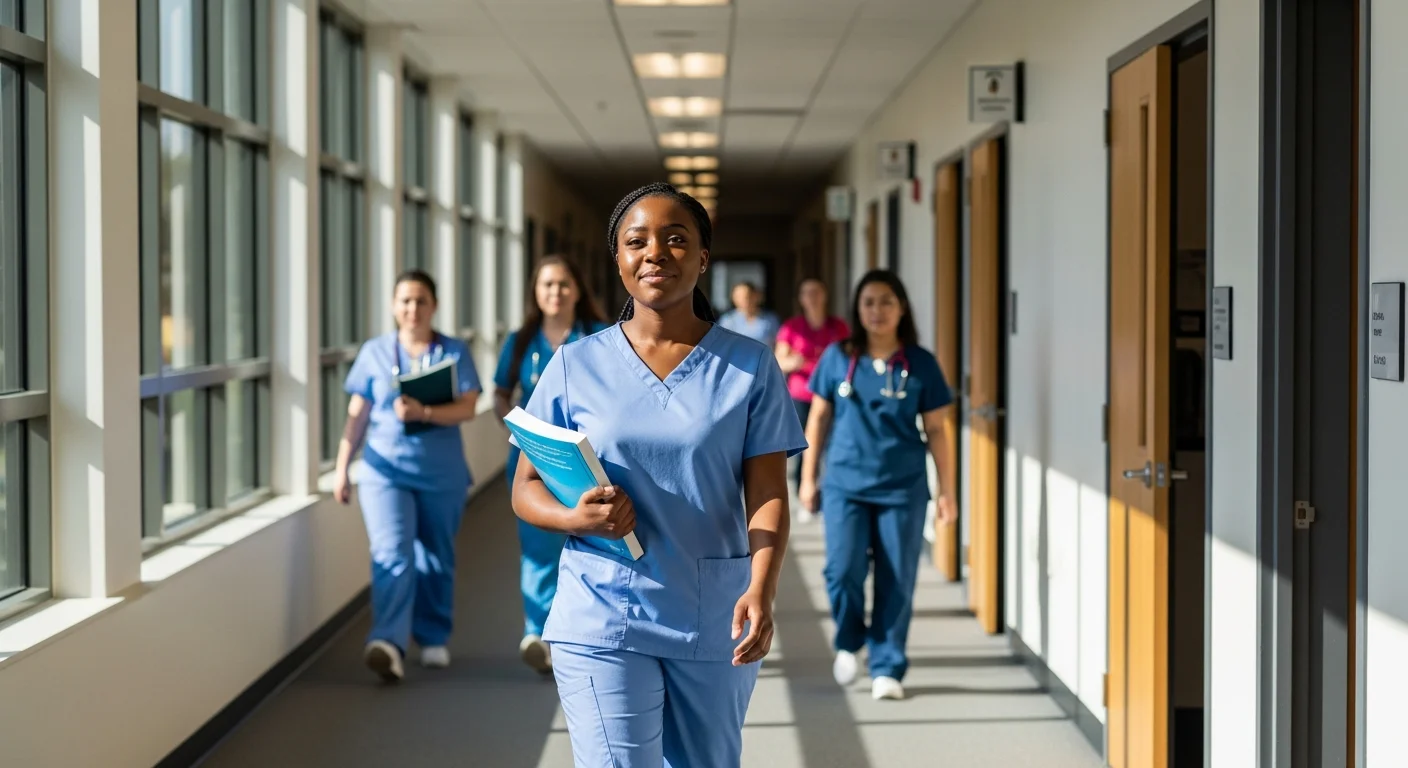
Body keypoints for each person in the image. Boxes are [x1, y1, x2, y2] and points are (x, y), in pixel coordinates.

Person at [511, 182, 806, 766]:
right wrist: (575, 516)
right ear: (617, 259)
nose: (656, 253)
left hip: (715, 611)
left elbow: (768, 493)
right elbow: (526, 487)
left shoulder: (750, 367)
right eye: (637, 241)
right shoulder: (574, 365)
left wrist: (762, 587)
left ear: (702, 259)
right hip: (601, 610)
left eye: (676, 240)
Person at [797, 269, 957, 702]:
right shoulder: (838, 357)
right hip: (845, 483)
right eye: (869, 302)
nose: (878, 310)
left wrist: (948, 491)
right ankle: (850, 641)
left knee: (897, 576)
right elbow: (818, 419)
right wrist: (808, 478)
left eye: (887, 301)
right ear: (857, 309)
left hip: (902, 488)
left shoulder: (920, 362)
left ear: (902, 307)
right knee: (841, 570)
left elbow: (939, 431)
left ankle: (887, 664)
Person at [332, 269, 483, 683]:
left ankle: (432, 636)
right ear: (393, 306)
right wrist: (342, 466)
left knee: (436, 555)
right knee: (391, 552)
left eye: (420, 301)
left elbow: (468, 407)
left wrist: (425, 413)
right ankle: (388, 643)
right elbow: (357, 414)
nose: (412, 309)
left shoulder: (453, 352)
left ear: (434, 306)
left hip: (441, 472)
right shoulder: (375, 352)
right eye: (404, 301)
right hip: (384, 472)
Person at [493, 254, 609, 674]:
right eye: (547, 285)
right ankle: (538, 632)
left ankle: (579, 633)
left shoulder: (599, 337)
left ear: (578, 290)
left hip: (587, 460)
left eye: (563, 284)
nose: (555, 293)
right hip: (532, 457)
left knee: (586, 540)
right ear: (535, 293)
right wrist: (515, 426)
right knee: (538, 544)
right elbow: (500, 392)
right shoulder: (521, 340)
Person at [774, 278, 850, 504]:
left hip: (832, 395)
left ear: (825, 295)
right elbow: (779, 361)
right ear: (801, 298)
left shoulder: (839, 326)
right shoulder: (792, 327)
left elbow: (850, 358)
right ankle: (803, 493)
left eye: (816, 292)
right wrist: (794, 362)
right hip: (801, 394)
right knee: (801, 445)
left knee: (831, 443)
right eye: (807, 293)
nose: (812, 297)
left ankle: (828, 492)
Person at [718, 280, 780, 347]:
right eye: (738, 296)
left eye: (747, 296)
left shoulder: (770, 319)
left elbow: (778, 344)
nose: (743, 300)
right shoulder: (727, 320)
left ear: (756, 296)